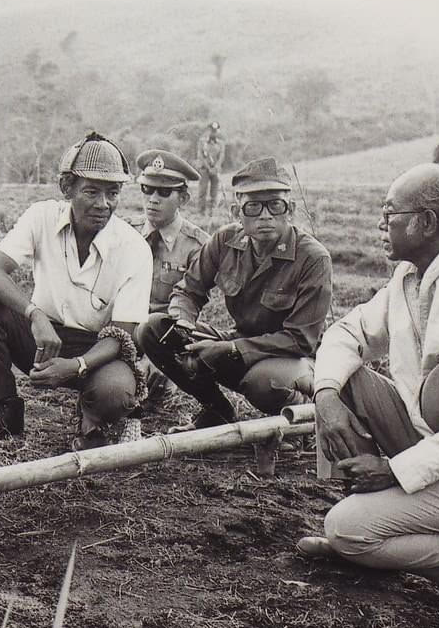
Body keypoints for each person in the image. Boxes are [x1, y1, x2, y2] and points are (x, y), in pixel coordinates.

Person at [296, 164, 439, 606]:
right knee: (344, 377)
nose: (380, 224)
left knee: (344, 529)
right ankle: (382, 520)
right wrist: (326, 395)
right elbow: (347, 334)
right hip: (434, 441)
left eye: (390, 213)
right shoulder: (411, 275)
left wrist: (391, 471)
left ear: (425, 222)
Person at [0, 132, 151, 449]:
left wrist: (77, 366)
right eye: (91, 192)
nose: (103, 204)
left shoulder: (134, 248)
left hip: (101, 350)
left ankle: (92, 423)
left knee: (115, 392)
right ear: (67, 188)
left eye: (112, 193)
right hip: (45, 339)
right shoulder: (41, 216)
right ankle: (4, 409)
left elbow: (123, 335)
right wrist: (34, 315)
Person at [136, 157, 332, 430]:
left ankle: (302, 417)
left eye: (276, 205)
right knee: (153, 329)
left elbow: (302, 340)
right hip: (238, 345)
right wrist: (181, 321)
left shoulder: (313, 258)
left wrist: (230, 349)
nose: (265, 215)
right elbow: (188, 290)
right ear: (236, 212)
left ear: (291, 210)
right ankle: (217, 411)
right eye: (253, 207)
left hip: (292, 360)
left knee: (263, 384)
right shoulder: (224, 240)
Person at [132, 149, 210, 401]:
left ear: (183, 198)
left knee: (153, 389)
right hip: (122, 333)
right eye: (147, 189)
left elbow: (188, 310)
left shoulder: (198, 245)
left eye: (164, 192)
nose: (153, 199)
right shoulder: (124, 234)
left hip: (165, 341)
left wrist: (158, 356)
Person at [195, 122, 224, 214]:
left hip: (215, 170)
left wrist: (216, 167)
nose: (213, 133)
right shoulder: (202, 142)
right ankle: (201, 211)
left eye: (215, 131)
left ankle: (212, 211)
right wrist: (209, 168)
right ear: (208, 131)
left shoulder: (220, 143)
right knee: (202, 190)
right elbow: (200, 156)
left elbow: (222, 156)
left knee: (214, 191)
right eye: (211, 131)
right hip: (204, 169)